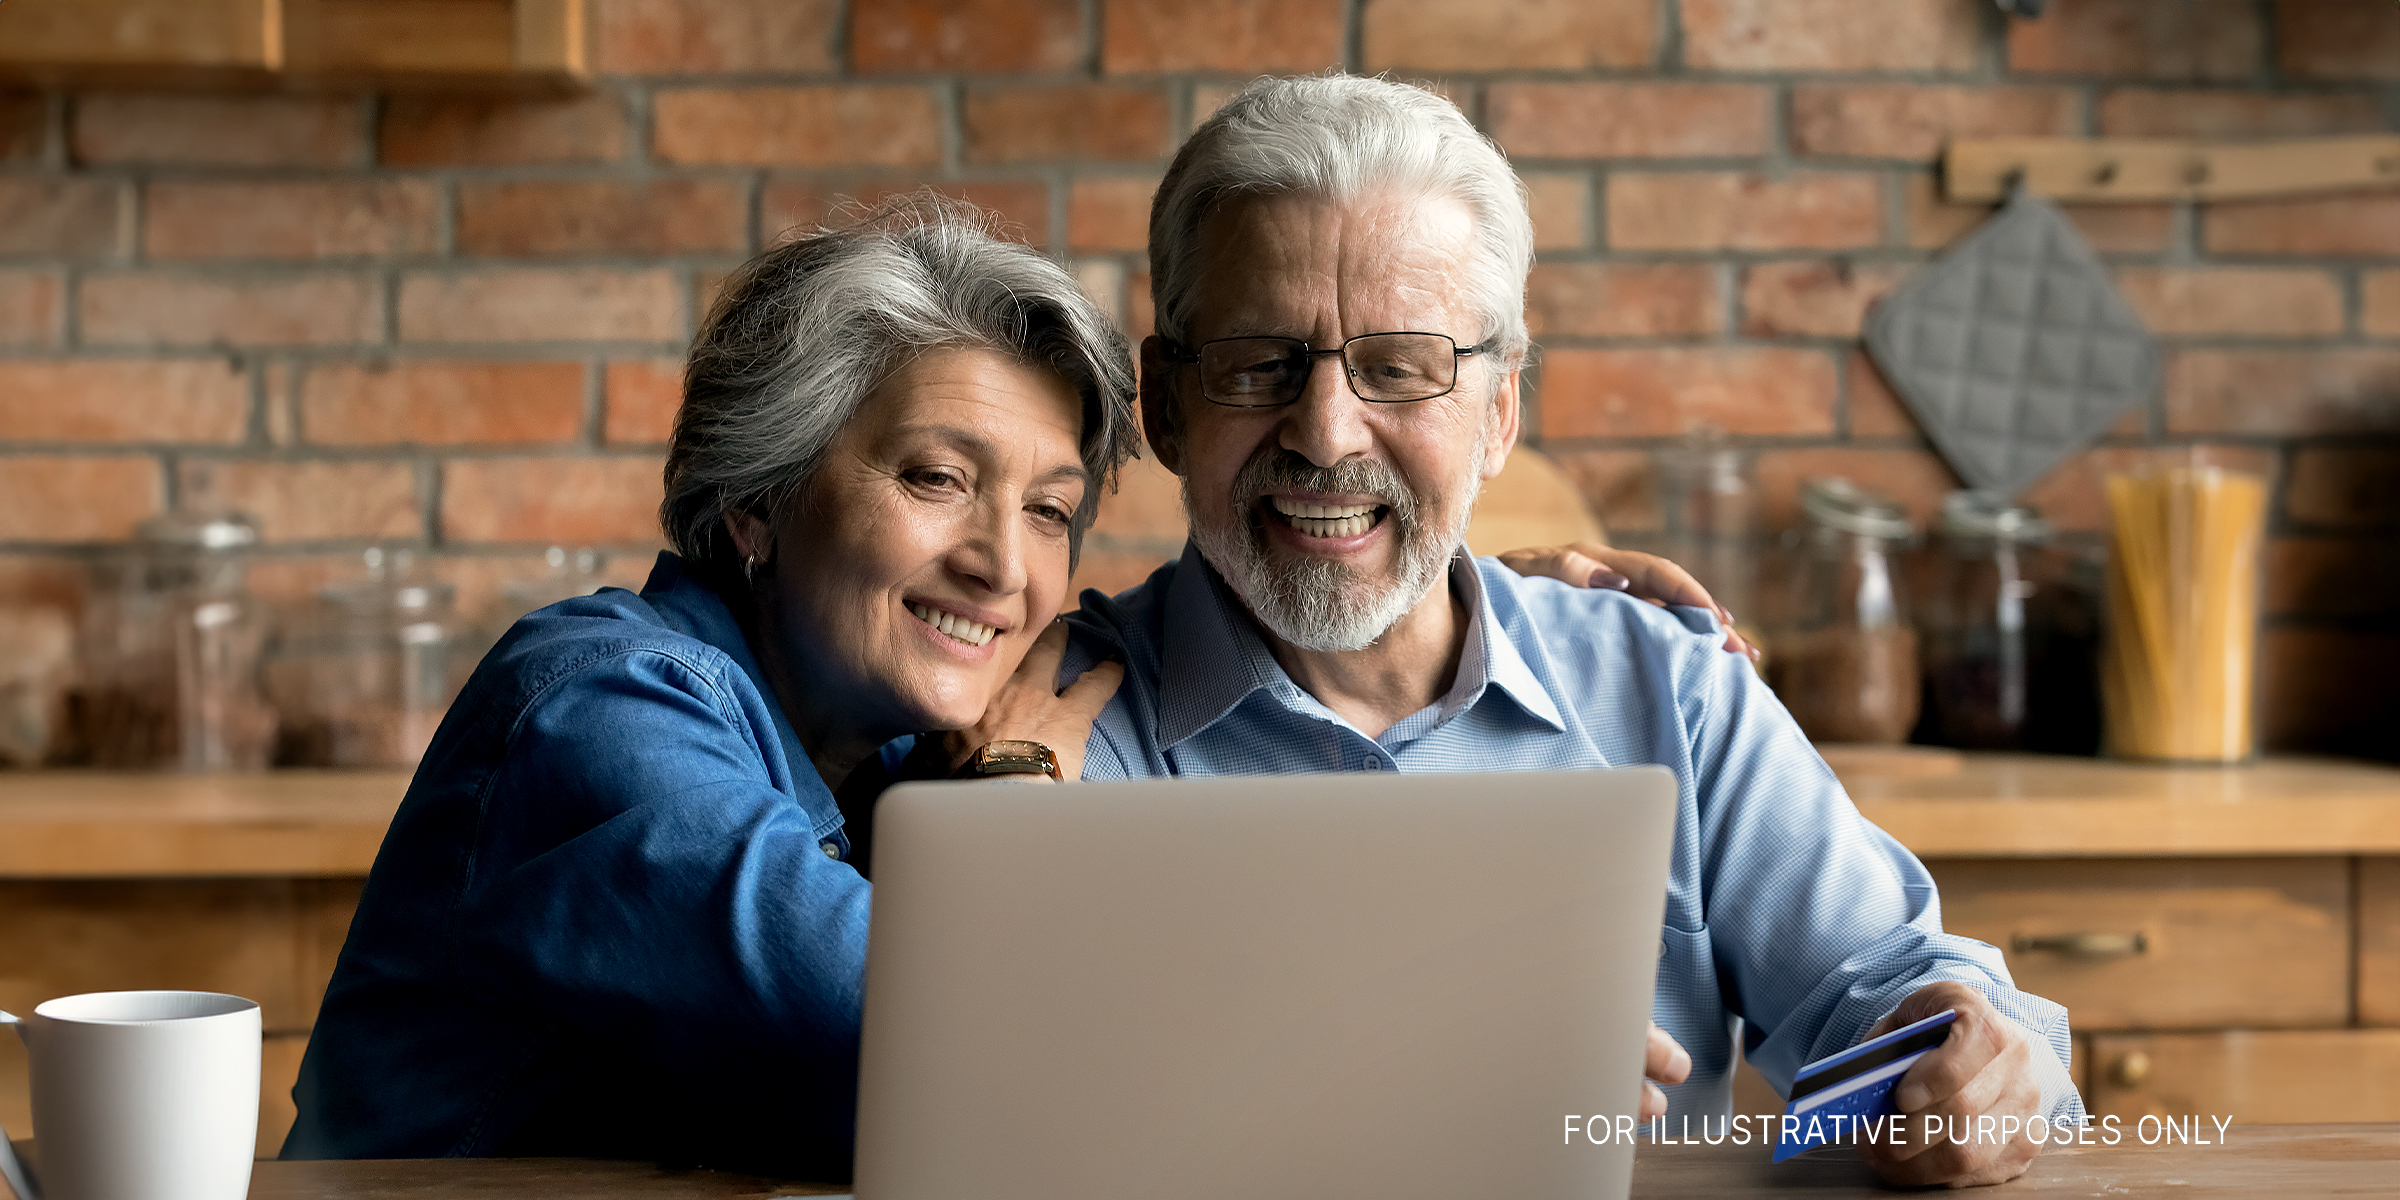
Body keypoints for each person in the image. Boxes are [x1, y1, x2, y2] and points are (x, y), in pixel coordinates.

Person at [283, 197, 1735, 1176]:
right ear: (757, 502)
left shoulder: (908, 723)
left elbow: (1203, 628)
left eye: (1049, 511)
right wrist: (1450, 1037)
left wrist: (1471, 584)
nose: (1001, 566)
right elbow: (937, 1056)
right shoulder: (597, 712)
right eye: (935, 480)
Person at [1048, 75, 2080, 1188]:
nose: (1326, 431)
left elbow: (1892, 993)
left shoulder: (1665, 682)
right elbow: (1031, 1119)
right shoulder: (1053, 728)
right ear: (1164, 404)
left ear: (1497, 413)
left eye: (1401, 367)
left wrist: (1968, 1051)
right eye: (1262, 363)